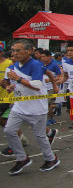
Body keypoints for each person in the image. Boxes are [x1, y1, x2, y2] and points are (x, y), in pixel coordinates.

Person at [2, 40, 60, 175]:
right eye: (13, 50)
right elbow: (6, 81)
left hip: (36, 108)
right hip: (19, 106)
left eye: (18, 50)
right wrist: (8, 86)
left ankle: (51, 158)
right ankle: (22, 158)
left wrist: (18, 79)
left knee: (40, 136)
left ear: (28, 51)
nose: (14, 53)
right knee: (9, 131)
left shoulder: (36, 65)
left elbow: (36, 85)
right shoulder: (13, 66)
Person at [39, 50, 61, 142]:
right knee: (45, 104)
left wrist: (52, 80)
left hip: (51, 87)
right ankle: (57, 106)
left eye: (44, 56)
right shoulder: (40, 65)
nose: (42, 58)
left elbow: (60, 76)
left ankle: (50, 119)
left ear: (49, 57)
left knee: (48, 104)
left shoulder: (54, 65)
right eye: (41, 56)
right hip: (42, 88)